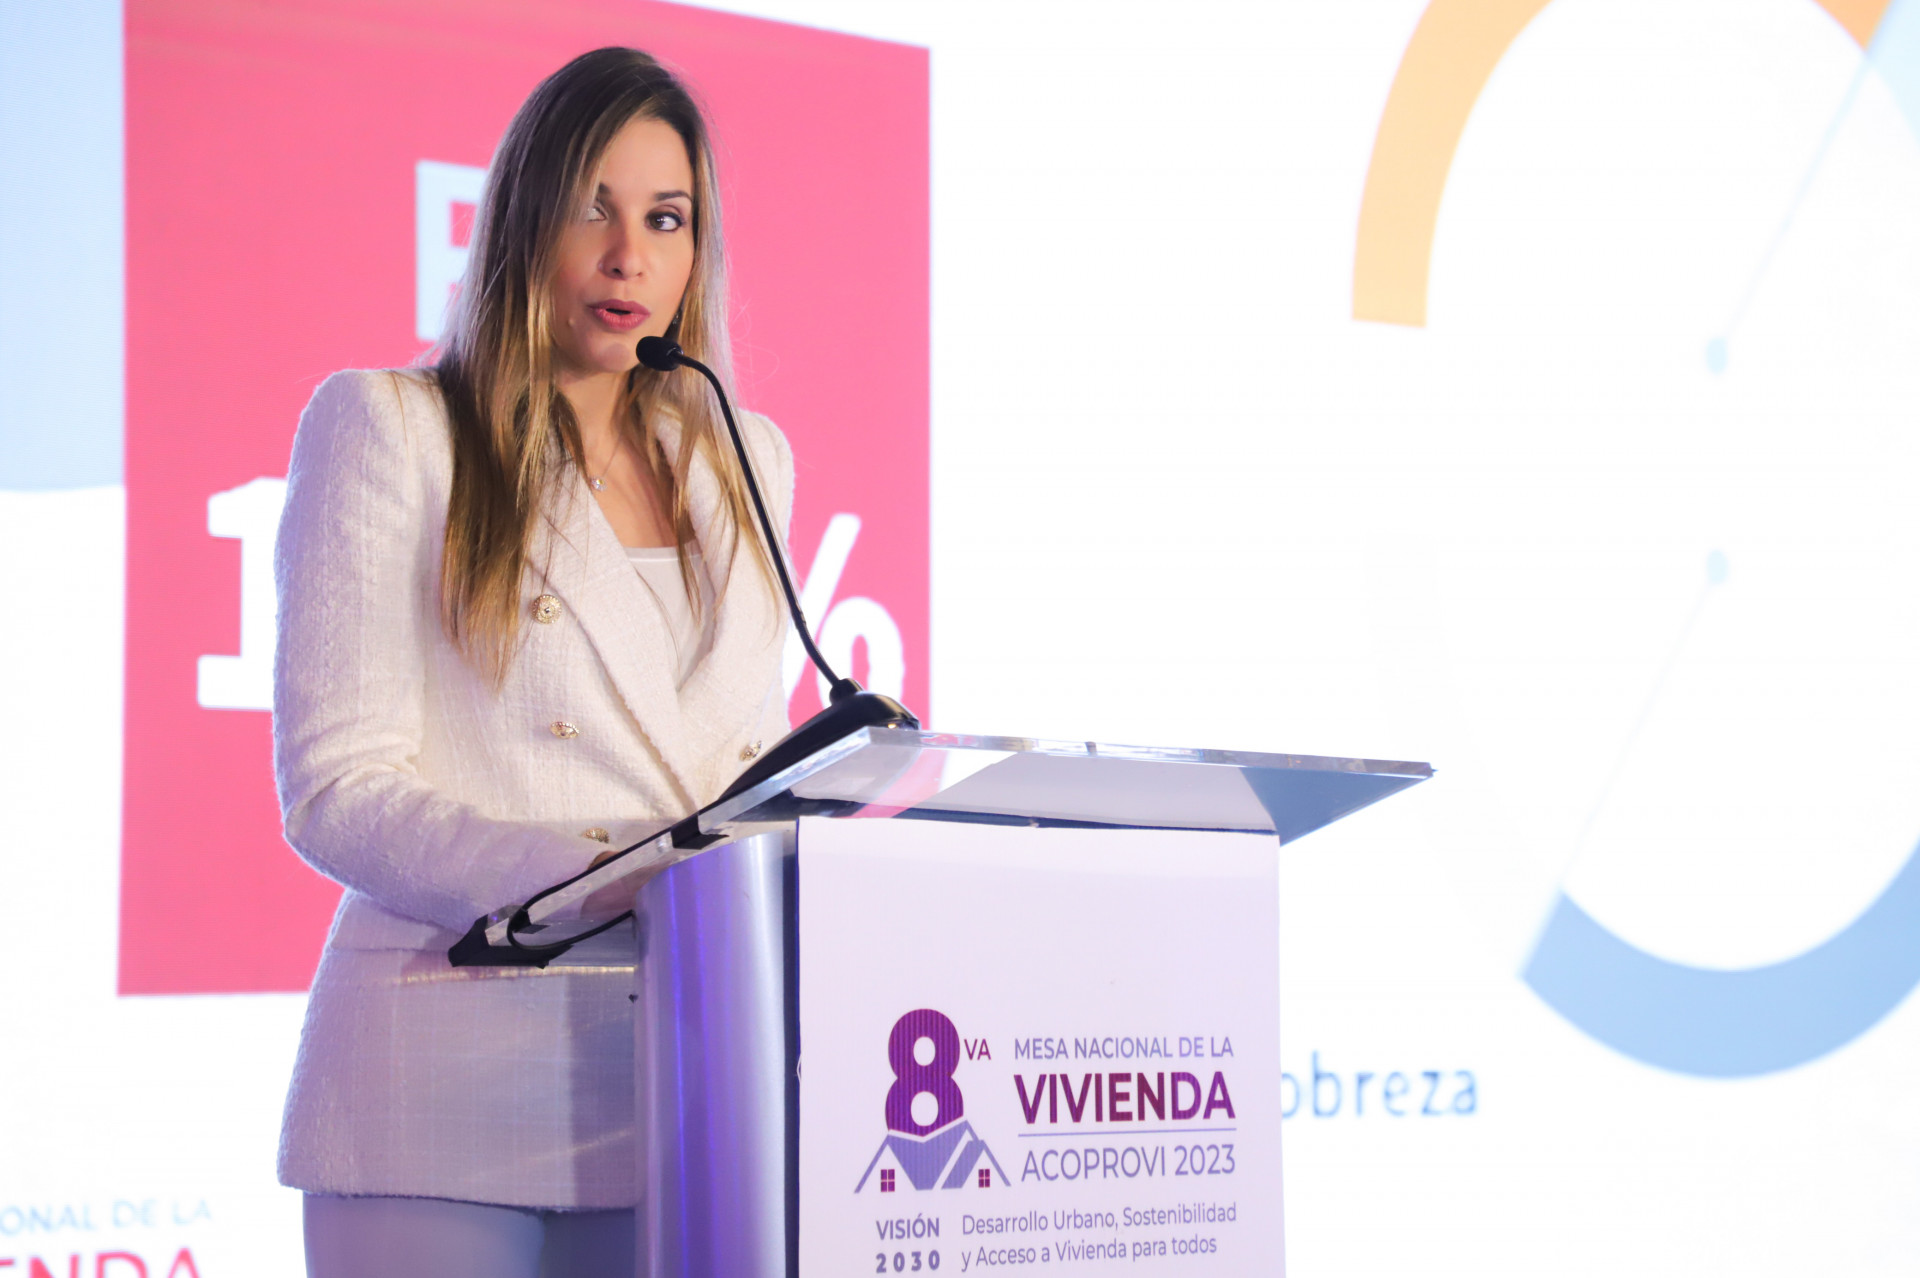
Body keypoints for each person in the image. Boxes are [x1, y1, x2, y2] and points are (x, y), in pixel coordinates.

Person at [271, 47, 792, 1277]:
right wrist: (601, 879)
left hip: (685, 1076)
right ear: (519, 219)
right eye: (591, 208)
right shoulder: (392, 427)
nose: (628, 257)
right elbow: (338, 787)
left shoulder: (746, 458)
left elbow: (745, 757)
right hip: (442, 1080)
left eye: (665, 218)